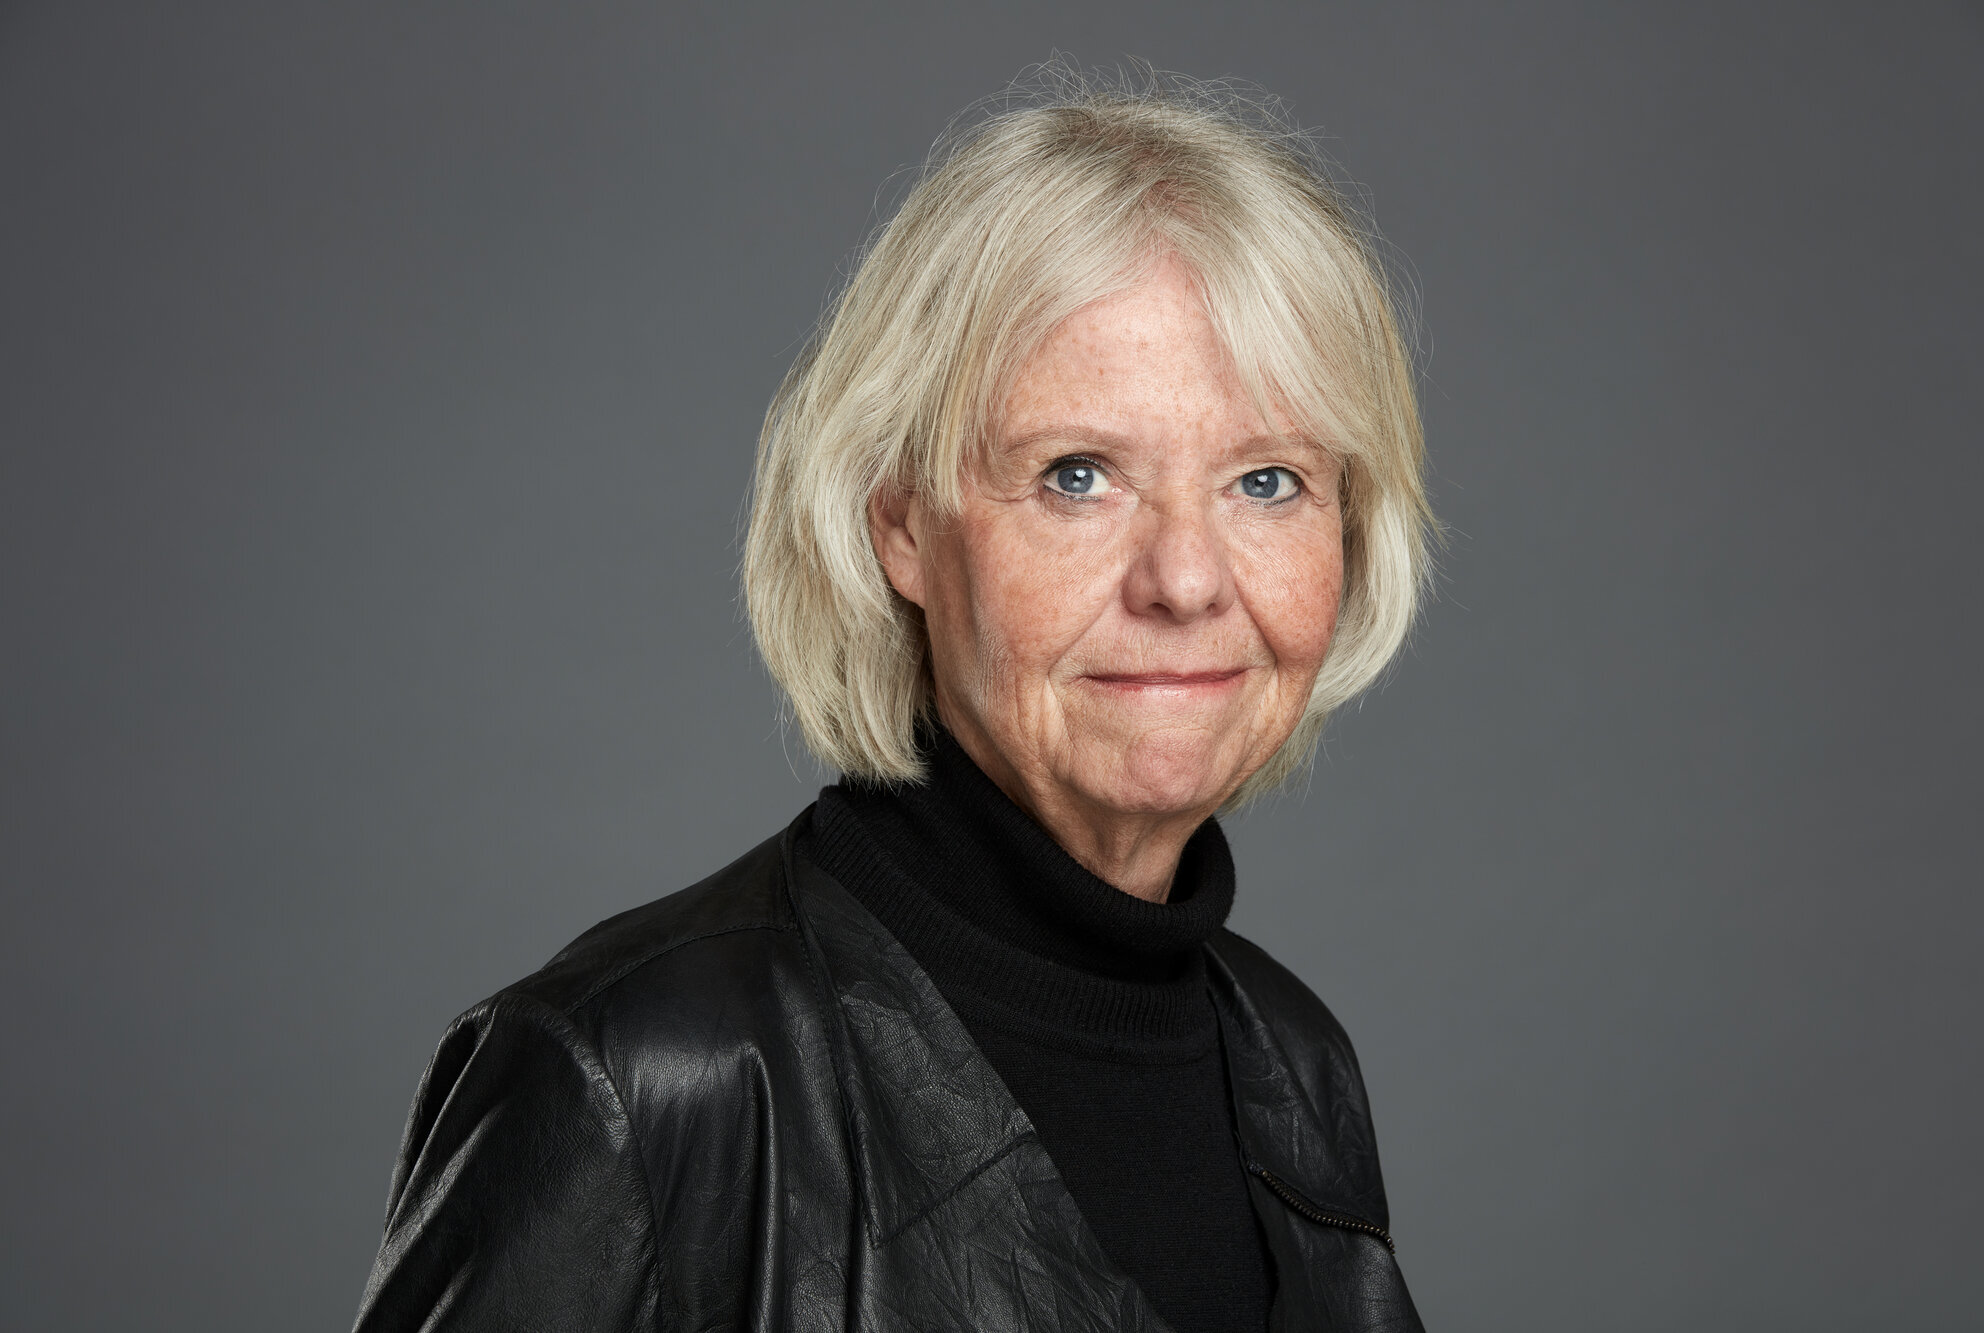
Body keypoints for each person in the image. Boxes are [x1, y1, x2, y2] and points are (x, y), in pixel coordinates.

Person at [353, 71, 1433, 1333]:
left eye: (1265, 480)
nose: (1184, 579)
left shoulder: (1292, 1065)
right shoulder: (635, 1082)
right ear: (902, 527)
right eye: (1075, 475)